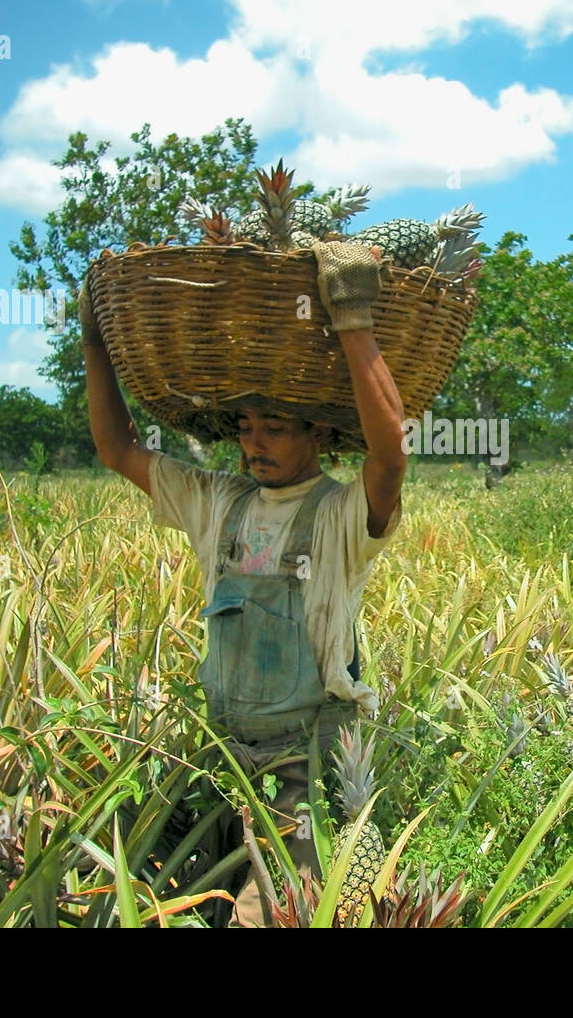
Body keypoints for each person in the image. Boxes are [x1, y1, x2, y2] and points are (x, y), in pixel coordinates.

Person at [80, 240, 405, 926]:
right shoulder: (218, 502)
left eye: (276, 427)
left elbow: (390, 456)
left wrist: (352, 319)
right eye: (246, 426)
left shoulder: (340, 515)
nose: (255, 441)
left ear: (316, 430)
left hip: (301, 777)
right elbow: (117, 450)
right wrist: (95, 338)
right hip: (218, 761)